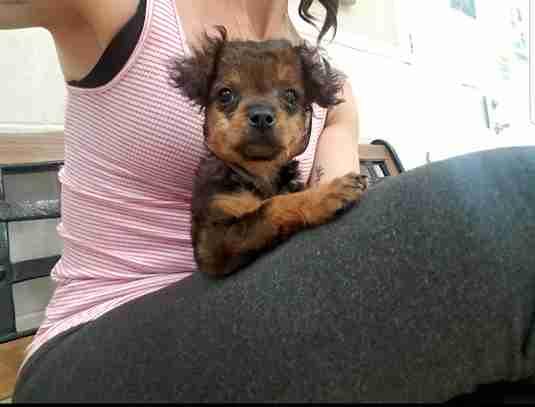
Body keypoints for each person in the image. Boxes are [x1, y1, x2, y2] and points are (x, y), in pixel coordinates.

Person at [2, 0, 534, 402]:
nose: (263, 112)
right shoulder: (120, 10)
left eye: (287, 102)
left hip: (257, 313)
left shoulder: (331, 90)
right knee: (510, 202)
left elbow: (339, 222)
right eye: (227, 97)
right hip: (94, 348)